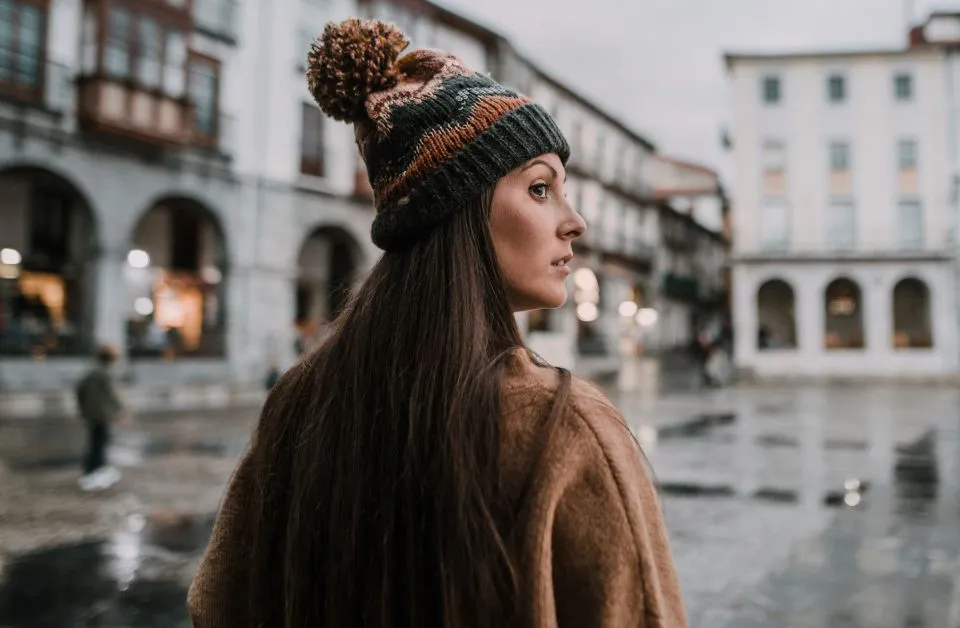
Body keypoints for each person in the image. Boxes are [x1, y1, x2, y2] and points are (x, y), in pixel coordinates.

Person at [188, 19, 685, 628]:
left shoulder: (299, 402)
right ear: (461, 208)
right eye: (539, 188)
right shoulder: (564, 427)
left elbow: (216, 605)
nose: (574, 220)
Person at [74, 343, 128, 491]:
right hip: (101, 414)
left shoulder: (92, 373)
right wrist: (121, 411)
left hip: (92, 413)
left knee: (95, 441)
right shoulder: (104, 374)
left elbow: (80, 390)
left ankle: (91, 470)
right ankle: (96, 470)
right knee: (100, 442)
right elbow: (112, 395)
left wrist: (83, 408)